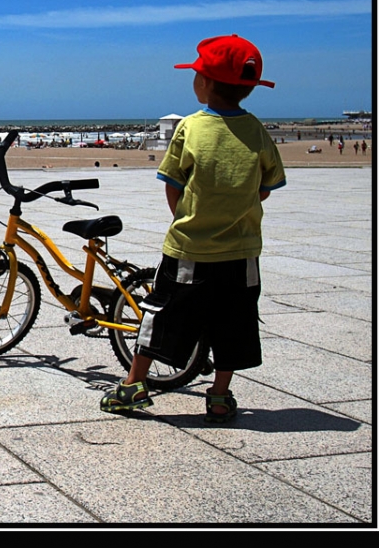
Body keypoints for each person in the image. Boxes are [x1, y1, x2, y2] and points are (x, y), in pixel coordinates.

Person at [99, 34, 286, 423]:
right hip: (243, 251)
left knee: (162, 313)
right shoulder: (258, 131)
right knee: (235, 319)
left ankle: (135, 386)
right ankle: (219, 395)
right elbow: (265, 188)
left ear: (204, 82)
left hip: (189, 249)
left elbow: (173, 184)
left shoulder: (190, 127)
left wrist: (186, 217)